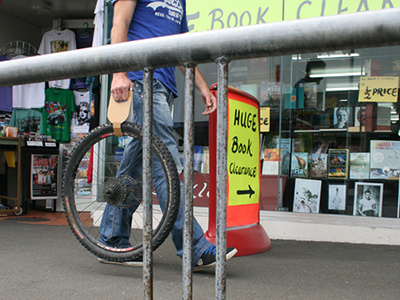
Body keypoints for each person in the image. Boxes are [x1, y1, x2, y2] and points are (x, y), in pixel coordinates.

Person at [98, 0, 237, 271]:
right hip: (140, 80)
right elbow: (119, 24)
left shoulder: (179, 2)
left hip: (163, 87)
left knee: (134, 169)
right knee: (167, 164)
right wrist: (119, 73)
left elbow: (181, 52)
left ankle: (111, 239)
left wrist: (202, 87)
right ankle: (194, 247)